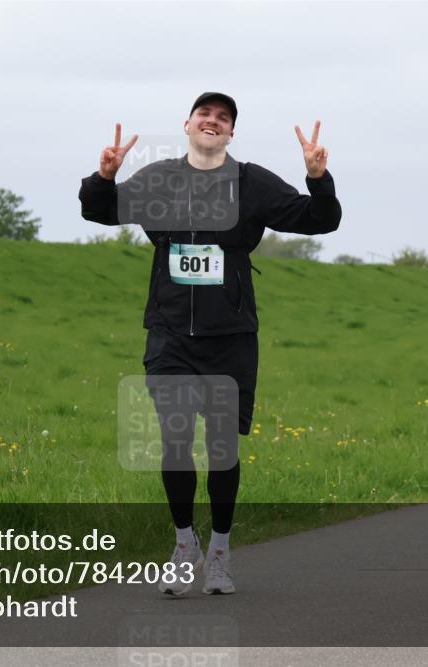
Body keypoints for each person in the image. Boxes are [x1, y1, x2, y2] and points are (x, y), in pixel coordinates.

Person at [78, 92, 342, 595]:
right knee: (176, 441)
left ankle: (220, 551)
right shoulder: (159, 180)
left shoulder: (251, 182)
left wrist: (317, 177)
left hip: (231, 339)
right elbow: (99, 211)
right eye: (205, 114)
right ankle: (184, 545)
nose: (213, 121)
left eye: (223, 117)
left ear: (231, 132)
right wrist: (104, 176)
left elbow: (321, 219)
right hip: (171, 334)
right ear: (188, 124)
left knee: (221, 448)